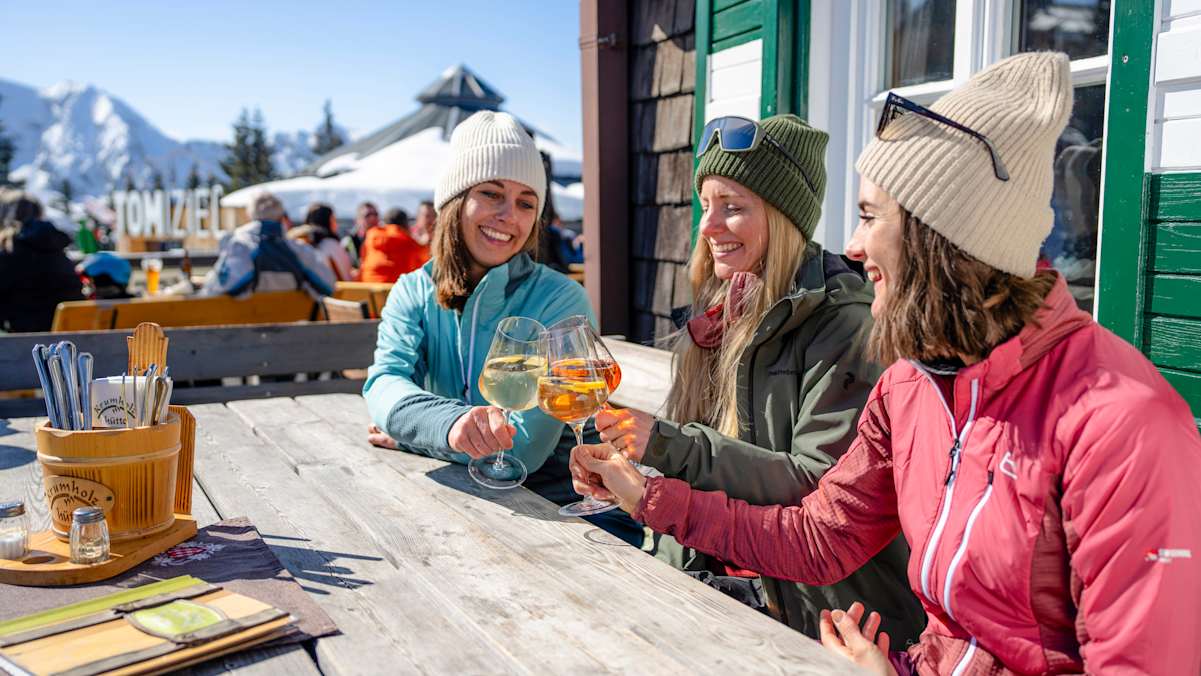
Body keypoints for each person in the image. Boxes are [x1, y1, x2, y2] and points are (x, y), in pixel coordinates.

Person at [573, 53, 1201, 675]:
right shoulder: (912, 383)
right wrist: (648, 496)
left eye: (871, 217)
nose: (850, 245)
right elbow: (819, 538)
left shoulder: (1122, 423)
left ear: (942, 238)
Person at [577, 114, 924, 642]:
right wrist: (626, 480)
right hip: (711, 576)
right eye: (706, 205)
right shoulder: (724, 308)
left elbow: (818, 490)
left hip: (822, 617)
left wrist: (665, 446)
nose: (708, 226)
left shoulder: (846, 323)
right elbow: (694, 469)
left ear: (784, 217)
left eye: (733, 208)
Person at [362, 110, 639, 544]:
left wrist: (414, 434)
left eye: (526, 202)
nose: (509, 215)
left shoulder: (559, 299)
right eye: (492, 193)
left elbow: (523, 449)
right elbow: (383, 383)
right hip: (465, 509)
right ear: (455, 201)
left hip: (560, 513)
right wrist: (451, 426)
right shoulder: (413, 291)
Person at [200, 191, 335, 298]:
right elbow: (328, 286)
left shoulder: (241, 247)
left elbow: (220, 287)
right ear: (281, 217)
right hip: (293, 328)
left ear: (250, 216)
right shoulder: (299, 250)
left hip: (243, 329)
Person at [0, 193, 84, 332]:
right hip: (67, 339)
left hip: (21, 340)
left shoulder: (8, 252)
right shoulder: (56, 248)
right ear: (40, 214)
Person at [358, 207, 430, 283]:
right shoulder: (409, 243)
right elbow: (426, 267)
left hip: (367, 290)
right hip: (396, 292)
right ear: (405, 225)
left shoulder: (370, 237)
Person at [295, 202, 353, 282]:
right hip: (331, 292)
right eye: (334, 220)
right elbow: (346, 277)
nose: (336, 224)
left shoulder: (297, 242)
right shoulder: (331, 245)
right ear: (328, 221)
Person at [343, 201, 380, 268]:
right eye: (368, 215)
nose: (373, 218)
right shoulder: (348, 242)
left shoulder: (387, 241)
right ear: (358, 220)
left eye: (375, 214)